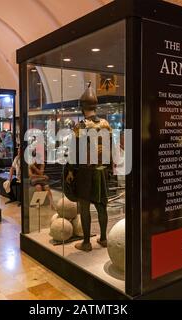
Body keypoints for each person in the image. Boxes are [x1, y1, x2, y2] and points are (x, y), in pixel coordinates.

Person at [65, 82, 112, 252]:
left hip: (85, 173)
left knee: (84, 207)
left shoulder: (81, 126)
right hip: (101, 172)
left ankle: (86, 242)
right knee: (101, 206)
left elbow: (73, 153)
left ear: (83, 107)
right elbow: (111, 151)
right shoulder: (106, 124)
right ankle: (104, 238)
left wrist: (70, 171)